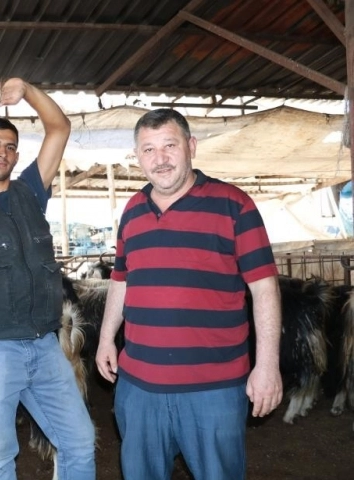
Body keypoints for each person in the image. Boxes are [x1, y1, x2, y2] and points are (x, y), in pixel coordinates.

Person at [95, 108, 283, 480]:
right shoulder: (132, 211)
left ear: (191, 146)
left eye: (169, 146)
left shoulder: (234, 204)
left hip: (212, 389)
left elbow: (264, 288)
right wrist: (104, 339)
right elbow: (120, 280)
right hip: (139, 387)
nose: (159, 159)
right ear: (137, 157)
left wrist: (266, 366)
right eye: (148, 150)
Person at [0, 79, 96, 480]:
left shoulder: (30, 191)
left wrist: (27, 90)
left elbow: (60, 127)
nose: (3, 152)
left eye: (10, 146)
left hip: (46, 346)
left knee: (79, 441)